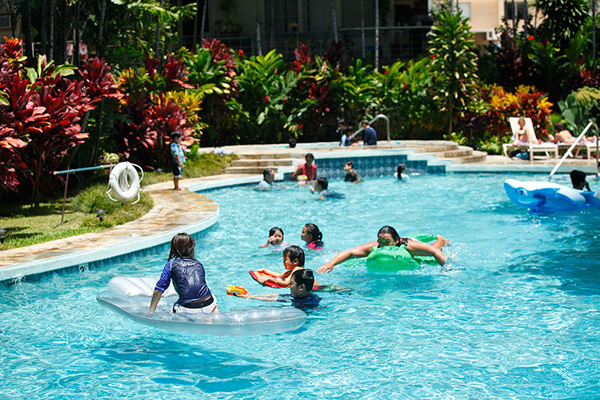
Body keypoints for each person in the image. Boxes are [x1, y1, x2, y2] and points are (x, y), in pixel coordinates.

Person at [317, 226, 448, 274]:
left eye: (387, 242)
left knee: (431, 254)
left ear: (396, 240)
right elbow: (350, 252)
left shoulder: (410, 246)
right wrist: (331, 263)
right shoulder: (375, 246)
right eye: (381, 242)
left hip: (411, 246)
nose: (384, 246)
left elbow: (433, 252)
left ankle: (441, 239)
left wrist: (445, 268)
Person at [149, 233, 218, 314]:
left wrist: (151, 310)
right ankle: (213, 313)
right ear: (192, 248)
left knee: (171, 311)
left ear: (174, 248)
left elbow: (159, 289)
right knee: (212, 300)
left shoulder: (171, 264)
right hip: (208, 303)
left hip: (187, 308)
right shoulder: (198, 263)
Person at [233, 269, 321, 310]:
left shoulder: (305, 303)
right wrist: (250, 296)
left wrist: (250, 297)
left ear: (301, 287)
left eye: (291, 284)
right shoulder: (299, 295)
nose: (289, 287)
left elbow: (275, 300)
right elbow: (276, 296)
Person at [254, 245, 320, 288]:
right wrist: (265, 271)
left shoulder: (297, 269)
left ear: (295, 261)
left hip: (319, 289)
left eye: (285, 260)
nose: (283, 262)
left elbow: (285, 283)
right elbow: (279, 275)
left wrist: (269, 279)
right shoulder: (291, 271)